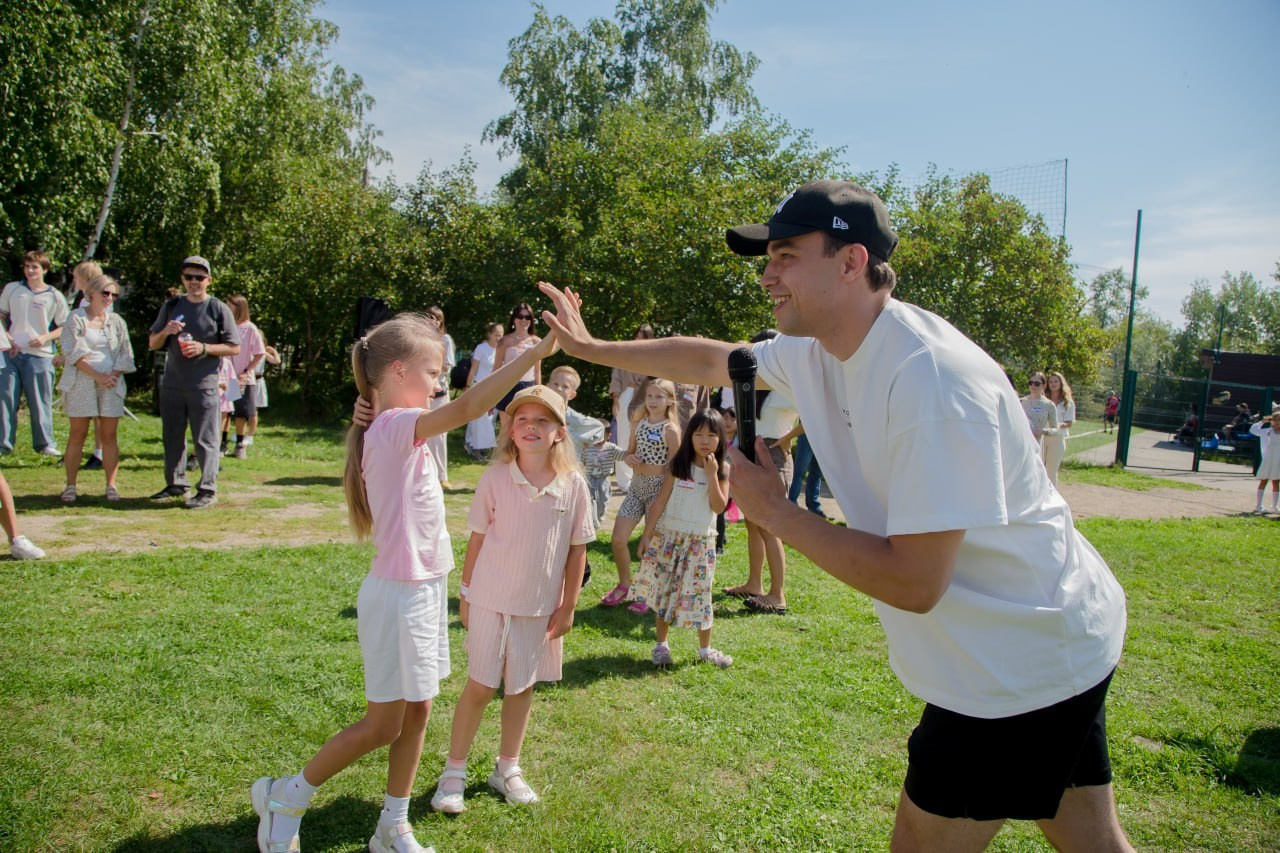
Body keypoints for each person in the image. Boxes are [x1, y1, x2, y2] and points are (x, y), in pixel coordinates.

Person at [537, 177, 1131, 851]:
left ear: (851, 263)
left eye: (787, 255)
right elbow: (712, 355)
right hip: (1041, 638)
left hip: (1017, 657)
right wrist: (591, 350)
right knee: (1092, 842)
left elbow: (915, 580)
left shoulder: (931, 379)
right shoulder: (820, 350)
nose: (767, 276)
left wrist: (773, 510)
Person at [253, 312, 556, 853]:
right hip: (400, 595)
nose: (440, 382)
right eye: (434, 371)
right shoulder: (394, 425)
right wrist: (533, 356)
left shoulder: (389, 423)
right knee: (382, 725)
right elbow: (468, 408)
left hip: (419, 589)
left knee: (417, 712)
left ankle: (391, 826)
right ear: (396, 372)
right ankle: (284, 797)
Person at [429, 384, 592, 814]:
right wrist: (464, 593)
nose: (531, 427)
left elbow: (578, 550)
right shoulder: (496, 476)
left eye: (542, 420)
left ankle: (508, 767)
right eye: (522, 419)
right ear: (510, 429)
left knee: (521, 687)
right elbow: (477, 540)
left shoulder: (574, 484)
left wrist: (569, 604)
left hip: (539, 607)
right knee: (481, 685)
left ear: (559, 431)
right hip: (489, 598)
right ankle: (454, 771)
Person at [631, 407, 732, 668]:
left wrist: (711, 476)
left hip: (701, 542)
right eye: (698, 434)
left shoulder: (723, 470)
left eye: (711, 435)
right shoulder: (679, 465)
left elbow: (719, 507)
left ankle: (705, 649)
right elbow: (660, 501)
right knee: (665, 590)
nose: (705, 441)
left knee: (701, 594)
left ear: (721, 438)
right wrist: (647, 533)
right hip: (671, 538)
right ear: (689, 437)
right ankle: (661, 646)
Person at [147, 256, 241, 509]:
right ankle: (176, 483)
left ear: (209, 280)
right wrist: (166, 331)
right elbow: (152, 343)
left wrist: (204, 348)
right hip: (173, 385)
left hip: (205, 385)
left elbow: (234, 347)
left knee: (206, 440)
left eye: (199, 278)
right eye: (189, 277)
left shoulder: (218, 308)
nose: (194, 282)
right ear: (182, 279)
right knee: (173, 437)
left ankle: (208, 489)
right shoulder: (172, 306)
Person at [724, 335, 796, 615]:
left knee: (769, 526)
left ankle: (778, 594)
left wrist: (788, 437)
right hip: (747, 450)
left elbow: (815, 414)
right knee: (752, 524)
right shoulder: (752, 384)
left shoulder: (786, 383)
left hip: (771, 454)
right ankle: (754, 583)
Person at [599, 378, 680, 613]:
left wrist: (662, 497)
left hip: (658, 492)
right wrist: (629, 458)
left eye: (658, 397)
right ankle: (625, 584)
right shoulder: (638, 423)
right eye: (650, 396)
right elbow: (630, 453)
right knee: (618, 539)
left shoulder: (670, 430)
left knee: (651, 547)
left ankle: (648, 591)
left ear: (669, 401)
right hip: (636, 489)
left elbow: (677, 468)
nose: (653, 401)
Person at [57, 274, 135, 503]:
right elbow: (72, 352)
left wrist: (112, 375)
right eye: (105, 293)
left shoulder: (117, 322)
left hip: (110, 382)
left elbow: (125, 352)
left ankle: (111, 485)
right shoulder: (76, 318)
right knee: (78, 433)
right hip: (82, 380)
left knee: (109, 435)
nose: (109, 298)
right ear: (91, 293)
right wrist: (97, 376)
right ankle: (70, 485)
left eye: (113, 294)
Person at [0, 249, 70, 456]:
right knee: (5, 398)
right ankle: (4, 444)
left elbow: (65, 326)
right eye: (27, 266)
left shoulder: (54, 295)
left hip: (40, 355)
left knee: (40, 399)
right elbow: (1, 317)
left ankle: (45, 443)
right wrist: (7, 338)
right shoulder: (12, 289)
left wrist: (45, 338)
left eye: (35, 267)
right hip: (10, 353)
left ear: (44, 270)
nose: (30, 271)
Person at [66, 260, 107, 470]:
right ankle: (76, 452)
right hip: (84, 362)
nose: (74, 280)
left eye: (76, 276)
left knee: (99, 412)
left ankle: (99, 453)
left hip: (94, 362)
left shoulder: (96, 300)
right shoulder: (83, 300)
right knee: (85, 411)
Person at [609, 324, 654, 491]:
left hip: (646, 397)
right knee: (623, 436)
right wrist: (615, 399)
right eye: (637, 336)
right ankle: (623, 481)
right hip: (626, 395)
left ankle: (641, 477)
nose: (639, 339)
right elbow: (616, 378)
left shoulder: (654, 357)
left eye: (644, 336)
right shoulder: (624, 353)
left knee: (643, 436)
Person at [225, 296, 266, 460]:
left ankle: (240, 444)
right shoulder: (226, 327)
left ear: (239, 308)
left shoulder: (250, 328)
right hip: (226, 377)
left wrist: (247, 370)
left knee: (241, 412)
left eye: (231, 306)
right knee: (225, 411)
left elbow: (260, 352)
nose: (227, 309)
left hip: (242, 378)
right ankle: (221, 442)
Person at [463, 322, 503, 460]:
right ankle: (476, 448)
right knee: (479, 419)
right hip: (479, 386)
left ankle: (475, 445)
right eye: (496, 335)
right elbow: (473, 369)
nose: (499, 338)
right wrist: (468, 387)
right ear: (489, 334)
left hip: (494, 388)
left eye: (501, 335)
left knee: (490, 419)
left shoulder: (501, 350)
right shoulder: (481, 348)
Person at [493, 303, 542, 413]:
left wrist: (539, 391)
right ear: (514, 319)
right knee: (506, 428)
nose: (524, 320)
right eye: (520, 316)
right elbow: (496, 368)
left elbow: (537, 370)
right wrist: (492, 392)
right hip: (507, 386)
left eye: (527, 317)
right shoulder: (504, 341)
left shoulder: (537, 342)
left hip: (528, 387)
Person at [425, 306, 454, 489]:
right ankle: (426, 475)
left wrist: (428, 365)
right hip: (422, 393)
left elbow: (446, 366)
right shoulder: (419, 339)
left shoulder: (445, 340)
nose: (433, 320)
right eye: (429, 317)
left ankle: (442, 476)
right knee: (423, 436)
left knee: (439, 437)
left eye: (436, 318)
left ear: (441, 321)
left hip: (439, 393)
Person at [580, 418, 625, 526]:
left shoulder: (611, 448)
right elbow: (580, 460)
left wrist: (633, 454)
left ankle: (599, 517)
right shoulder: (587, 448)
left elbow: (624, 455)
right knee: (590, 502)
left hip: (603, 480)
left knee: (602, 503)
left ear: (609, 435)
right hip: (589, 479)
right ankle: (593, 524)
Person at [785, 425, 827, 517]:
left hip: (822, 433)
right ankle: (791, 504)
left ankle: (814, 507)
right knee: (799, 471)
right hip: (806, 432)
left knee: (816, 473)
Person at [1043, 372, 1075, 488]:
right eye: (1050, 382)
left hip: (1057, 438)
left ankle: (1052, 496)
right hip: (1042, 436)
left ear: (1061, 383)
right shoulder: (1043, 400)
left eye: (1055, 381)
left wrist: (1057, 425)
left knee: (1051, 470)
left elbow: (1069, 422)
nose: (1053, 384)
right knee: (1039, 468)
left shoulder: (1067, 402)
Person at [1250, 408, 1280, 513]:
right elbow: (1253, 430)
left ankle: (1275, 507)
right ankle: (1259, 505)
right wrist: (1262, 421)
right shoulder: (1268, 432)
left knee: (1276, 482)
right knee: (1264, 480)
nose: (1277, 422)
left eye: (1279, 420)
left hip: (1278, 462)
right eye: (1276, 420)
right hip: (1269, 460)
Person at [1020, 372, 1059, 448]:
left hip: (1036, 444)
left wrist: (1043, 431)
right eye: (1030, 383)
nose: (1033, 386)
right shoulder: (1020, 402)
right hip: (1021, 442)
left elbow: (1055, 429)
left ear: (1044, 385)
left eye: (1036, 383)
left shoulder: (1049, 405)